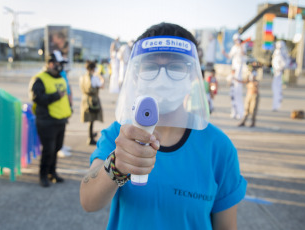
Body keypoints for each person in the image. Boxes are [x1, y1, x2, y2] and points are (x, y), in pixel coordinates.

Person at [80, 22, 247, 230]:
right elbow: (88, 201)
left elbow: (227, 226)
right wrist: (117, 165)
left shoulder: (218, 148)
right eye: (150, 66)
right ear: (136, 74)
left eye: (176, 66)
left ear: (192, 75)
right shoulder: (120, 134)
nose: (162, 77)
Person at [29, 50, 72, 187]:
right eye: (59, 63)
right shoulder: (39, 78)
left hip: (60, 120)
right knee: (48, 150)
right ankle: (43, 175)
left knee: (57, 148)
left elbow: (64, 97)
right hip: (47, 121)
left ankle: (52, 173)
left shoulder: (60, 78)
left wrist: (68, 110)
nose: (61, 66)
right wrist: (55, 96)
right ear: (50, 63)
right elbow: (36, 98)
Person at [80, 61, 104, 145]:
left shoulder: (82, 77)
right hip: (93, 100)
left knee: (89, 119)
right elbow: (101, 86)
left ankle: (90, 135)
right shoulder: (94, 78)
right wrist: (101, 78)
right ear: (93, 69)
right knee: (92, 119)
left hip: (85, 99)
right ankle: (90, 138)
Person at [222, 33, 246, 119]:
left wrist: (241, 46)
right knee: (232, 94)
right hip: (233, 73)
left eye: (238, 39)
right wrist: (224, 53)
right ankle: (234, 112)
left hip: (239, 76)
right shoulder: (234, 47)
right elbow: (229, 56)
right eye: (235, 40)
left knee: (238, 95)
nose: (237, 41)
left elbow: (244, 54)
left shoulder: (242, 46)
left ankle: (241, 113)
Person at [271, 40, 288, 111]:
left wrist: (280, 68)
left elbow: (284, 63)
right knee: (275, 89)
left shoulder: (280, 53)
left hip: (278, 73)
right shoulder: (277, 52)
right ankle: (276, 105)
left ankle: (276, 105)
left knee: (277, 90)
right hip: (276, 73)